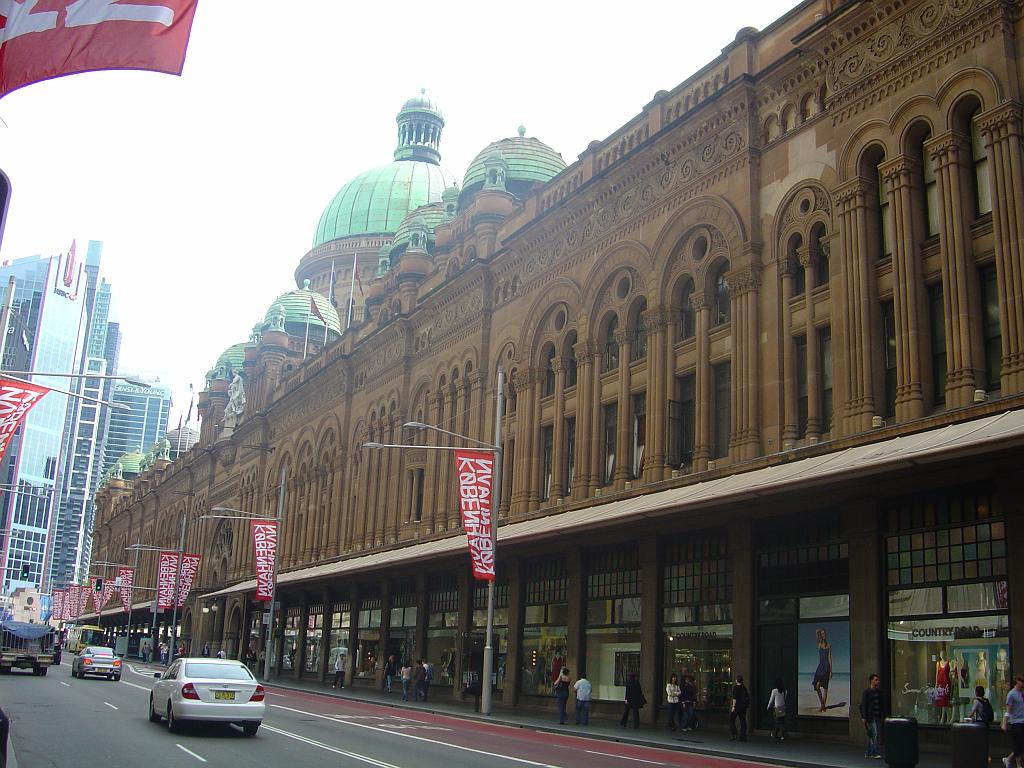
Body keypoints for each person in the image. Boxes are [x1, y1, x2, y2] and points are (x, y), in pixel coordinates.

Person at [1002, 674, 1024, 768]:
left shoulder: (1021, 693)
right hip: (1016, 722)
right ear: (1017, 682)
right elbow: (1008, 710)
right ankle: (1019, 765)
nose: (1022, 683)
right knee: (1019, 744)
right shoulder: (1011, 694)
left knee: (1021, 744)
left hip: (1023, 721)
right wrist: (1004, 722)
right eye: (1021, 681)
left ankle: (1009, 759)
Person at [859, 673, 883, 760]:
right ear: (871, 681)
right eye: (876, 680)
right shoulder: (866, 692)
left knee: (871, 735)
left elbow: (881, 704)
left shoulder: (879, 692)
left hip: (877, 716)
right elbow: (863, 705)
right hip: (870, 717)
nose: (878, 681)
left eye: (878, 680)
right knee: (874, 734)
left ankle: (868, 752)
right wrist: (863, 717)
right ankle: (874, 752)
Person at [813, 628, 833, 713]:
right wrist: (819, 631)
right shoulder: (819, 644)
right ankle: (823, 704)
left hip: (827, 668)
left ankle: (822, 706)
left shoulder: (829, 645)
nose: (823, 635)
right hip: (820, 667)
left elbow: (830, 658)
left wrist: (831, 671)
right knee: (817, 686)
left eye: (824, 633)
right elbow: (816, 632)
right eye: (822, 634)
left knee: (825, 687)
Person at [730, 674, 750, 741]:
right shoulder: (744, 687)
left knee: (732, 719)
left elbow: (734, 698)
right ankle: (743, 736)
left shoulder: (736, 688)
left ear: (736, 680)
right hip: (743, 707)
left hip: (737, 706)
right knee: (743, 721)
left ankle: (734, 734)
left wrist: (733, 706)